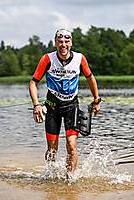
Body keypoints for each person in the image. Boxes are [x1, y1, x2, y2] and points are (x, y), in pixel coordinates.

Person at [29, 29, 100, 174]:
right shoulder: (47, 59)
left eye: (66, 41)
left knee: (71, 146)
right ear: (55, 43)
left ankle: (70, 179)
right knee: (52, 149)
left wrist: (96, 100)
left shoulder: (80, 58)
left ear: (71, 43)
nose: (63, 44)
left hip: (72, 107)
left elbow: (90, 78)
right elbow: (33, 82)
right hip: (52, 107)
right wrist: (36, 105)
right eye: (60, 41)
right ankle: (51, 176)